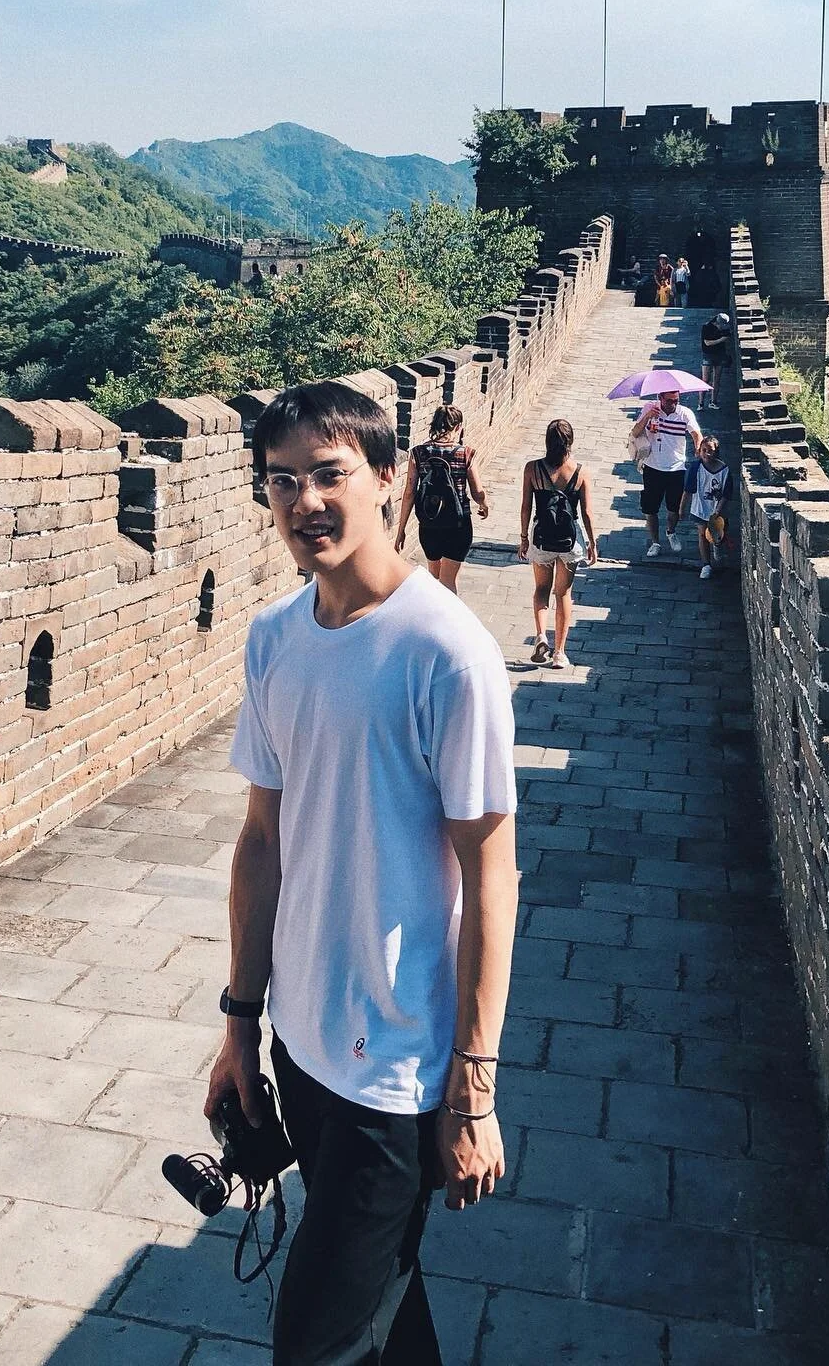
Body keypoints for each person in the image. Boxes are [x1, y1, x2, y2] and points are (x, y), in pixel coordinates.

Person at [209, 381, 518, 1365]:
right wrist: (240, 1024)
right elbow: (262, 842)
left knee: (315, 1341)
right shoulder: (274, 638)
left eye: (328, 474)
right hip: (301, 1047)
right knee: (383, 1309)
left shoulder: (447, 651)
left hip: (398, 1072)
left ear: (389, 478)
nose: (304, 501)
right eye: (281, 480)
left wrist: (473, 1090)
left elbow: (493, 879)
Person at [518, 419, 597, 669]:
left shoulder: (532, 469)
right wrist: (592, 542)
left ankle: (541, 635)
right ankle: (560, 653)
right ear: (570, 442)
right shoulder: (580, 472)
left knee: (541, 588)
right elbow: (587, 513)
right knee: (563, 593)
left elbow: (526, 507)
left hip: (542, 538)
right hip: (569, 542)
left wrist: (523, 538)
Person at [395, 404, 489, 597]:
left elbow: (409, 493)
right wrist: (483, 504)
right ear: (458, 427)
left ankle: (429, 611)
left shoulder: (418, 453)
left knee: (434, 576)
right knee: (449, 582)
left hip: (429, 524)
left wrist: (401, 530)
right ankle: (447, 615)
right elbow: (477, 492)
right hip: (458, 525)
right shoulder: (466, 453)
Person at [631, 388, 702, 557]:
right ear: (660, 398)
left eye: (676, 400)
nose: (673, 404)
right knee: (650, 509)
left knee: (674, 508)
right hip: (652, 466)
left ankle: (671, 531)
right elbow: (635, 432)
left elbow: (696, 433)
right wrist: (648, 416)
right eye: (669, 401)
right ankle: (655, 542)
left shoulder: (684, 413)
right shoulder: (649, 408)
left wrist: (698, 447)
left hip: (675, 468)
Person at [682, 434, 733, 580]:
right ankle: (706, 565)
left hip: (718, 508)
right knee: (702, 534)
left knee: (717, 534)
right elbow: (688, 490)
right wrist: (681, 508)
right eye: (704, 450)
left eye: (710, 451)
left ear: (716, 452)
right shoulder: (695, 468)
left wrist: (717, 512)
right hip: (700, 507)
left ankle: (717, 545)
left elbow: (726, 494)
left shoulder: (724, 470)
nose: (707, 454)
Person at [700, 311, 731, 410]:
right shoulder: (706, 327)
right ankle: (701, 403)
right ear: (717, 323)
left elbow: (728, 335)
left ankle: (713, 402)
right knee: (705, 380)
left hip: (720, 354)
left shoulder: (725, 328)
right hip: (708, 355)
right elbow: (707, 343)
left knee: (717, 379)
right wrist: (721, 339)